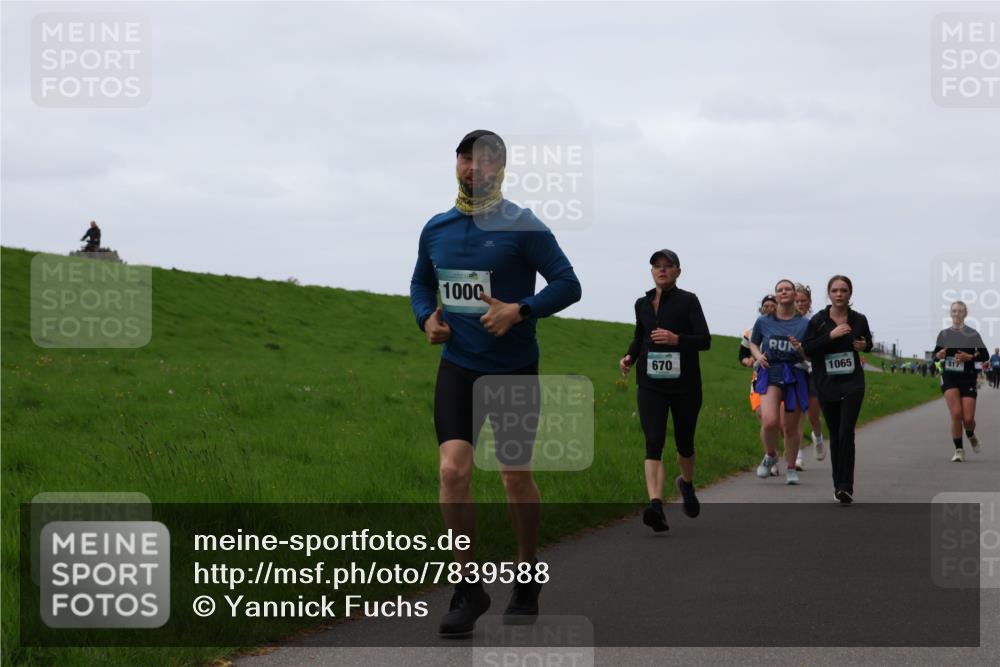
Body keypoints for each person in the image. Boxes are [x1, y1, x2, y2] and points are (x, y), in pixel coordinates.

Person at [410, 130, 582, 635]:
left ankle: (527, 575)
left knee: (514, 476)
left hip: (512, 371)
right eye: (466, 158)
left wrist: (520, 310)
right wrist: (426, 318)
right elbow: (422, 281)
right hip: (459, 367)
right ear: (457, 164)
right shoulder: (436, 228)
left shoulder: (524, 227)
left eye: (485, 161)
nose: (474, 168)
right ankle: (468, 587)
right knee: (452, 472)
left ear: (500, 170)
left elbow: (569, 283)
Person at [620, 249, 711, 532]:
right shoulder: (642, 303)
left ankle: (686, 483)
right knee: (654, 440)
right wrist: (629, 357)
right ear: (652, 272)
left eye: (667, 266)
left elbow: (704, 340)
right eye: (657, 267)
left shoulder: (688, 301)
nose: (662, 270)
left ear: (677, 271)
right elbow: (639, 336)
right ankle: (655, 506)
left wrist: (676, 339)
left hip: (685, 385)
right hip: (650, 384)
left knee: (684, 442)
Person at [802, 275, 873, 504]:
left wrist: (864, 346)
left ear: (850, 293)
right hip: (827, 384)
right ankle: (837, 484)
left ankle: (846, 486)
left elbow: (868, 342)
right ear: (829, 294)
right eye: (835, 290)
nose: (839, 294)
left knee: (846, 433)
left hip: (853, 383)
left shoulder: (859, 319)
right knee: (835, 434)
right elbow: (808, 349)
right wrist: (830, 335)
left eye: (844, 290)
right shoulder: (819, 321)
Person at [749, 279, 811, 485]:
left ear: (795, 295)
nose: (783, 292)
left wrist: (800, 348)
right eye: (780, 290)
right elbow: (753, 342)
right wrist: (758, 356)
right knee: (769, 421)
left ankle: (791, 467)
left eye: (788, 289)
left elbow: (810, 356)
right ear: (776, 296)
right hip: (771, 371)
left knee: (790, 428)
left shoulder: (804, 324)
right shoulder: (764, 321)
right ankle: (771, 455)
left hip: (795, 373)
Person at [933, 301, 989, 462]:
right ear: (951, 314)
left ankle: (970, 434)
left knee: (968, 419)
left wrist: (969, 357)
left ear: (965, 314)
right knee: (956, 414)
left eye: (960, 311)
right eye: (954, 311)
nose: (957, 314)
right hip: (949, 376)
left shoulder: (973, 334)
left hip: (968, 377)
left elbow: (984, 355)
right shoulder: (943, 335)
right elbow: (934, 355)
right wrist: (939, 355)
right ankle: (959, 450)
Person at [794, 283, 826, 468]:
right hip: (797, 371)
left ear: (809, 302)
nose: (799, 304)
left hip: (813, 371)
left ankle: (818, 438)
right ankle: (798, 455)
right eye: (796, 300)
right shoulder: (788, 321)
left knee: (813, 415)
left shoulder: (814, 322)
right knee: (796, 414)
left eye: (803, 301)